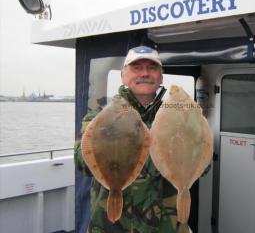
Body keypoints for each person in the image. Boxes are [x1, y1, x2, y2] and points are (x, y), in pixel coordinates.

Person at [74, 46, 191, 233]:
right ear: (123, 75)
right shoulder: (99, 114)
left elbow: (202, 166)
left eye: (152, 68)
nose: (145, 73)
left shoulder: (178, 115)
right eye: (136, 67)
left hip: (165, 225)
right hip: (109, 225)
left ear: (161, 77)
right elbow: (81, 163)